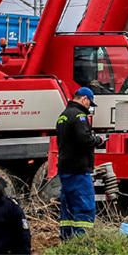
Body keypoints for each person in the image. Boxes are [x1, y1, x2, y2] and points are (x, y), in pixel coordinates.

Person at [55, 88, 105, 241]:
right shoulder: (79, 116)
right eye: (90, 103)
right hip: (78, 170)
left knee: (68, 208)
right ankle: (81, 242)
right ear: (84, 99)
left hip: (65, 169)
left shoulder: (63, 116)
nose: (89, 107)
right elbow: (85, 139)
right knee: (84, 206)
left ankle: (67, 241)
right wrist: (99, 140)